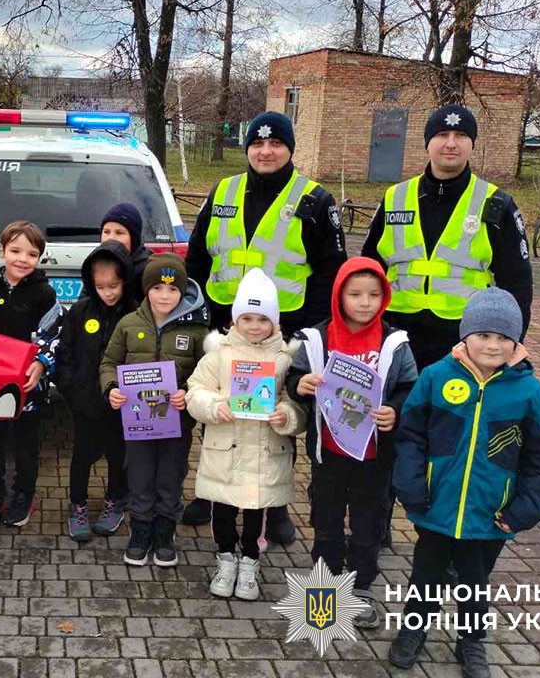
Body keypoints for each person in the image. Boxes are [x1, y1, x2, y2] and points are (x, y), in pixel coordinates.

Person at [184, 110, 347, 536]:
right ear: (248, 147)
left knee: (277, 417)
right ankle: (213, 492)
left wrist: (310, 333)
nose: (266, 150)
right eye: (257, 143)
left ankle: (273, 506)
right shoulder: (223, 190)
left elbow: (331, 273)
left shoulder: (315, 200)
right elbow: (198, 257)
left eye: (276, 143)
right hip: (225, 328)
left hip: (284, 335)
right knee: (219, 411)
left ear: (290, 148)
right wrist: (199, 313)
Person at [388, 289, 540, 677]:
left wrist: (525, 508)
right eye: (483, 335)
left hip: (490, 515)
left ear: (516, 341)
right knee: (426, 575)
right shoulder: (435, 377)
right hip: (436, 507)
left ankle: (472, 639)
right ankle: (414, 630)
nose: (492, 345)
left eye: (503, 338)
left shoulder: (528, 391)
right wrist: (412, 488)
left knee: (475, 582)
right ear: (465, 334)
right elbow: (411, 436)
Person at [287, 257, 419, 626]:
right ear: (339, 296)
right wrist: (300, 385)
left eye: (374, 294)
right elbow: (293, 380)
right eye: (355, 294)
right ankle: (324, 588)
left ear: (385, 297)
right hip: (329, 452)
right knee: (325, 521)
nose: (365, 302)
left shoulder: (394, 343)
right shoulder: (316, 339)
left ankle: (361, 586)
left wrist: (395, 409)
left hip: (374, 457)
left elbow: (410, 386)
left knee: (368, 523)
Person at [362, 104, 533, 371]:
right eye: (442, 135)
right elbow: (368, 268)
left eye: (461, 136)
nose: (451, 144)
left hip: (465, 339)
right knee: (395, 411)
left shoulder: (496, 203)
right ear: (427, 143)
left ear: (472, 144)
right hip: (396, 333)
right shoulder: (395, 197)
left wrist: (511, 343)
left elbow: (517, 283)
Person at [187, 269, 306, 600]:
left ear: (275, 321)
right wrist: (214, 406)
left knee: (257, 515)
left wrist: (287, 415)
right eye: (247, 318)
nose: (255, 326)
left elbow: (294, 400)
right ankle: (226, 558)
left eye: (263, 319)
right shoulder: (219, 354)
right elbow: (195, 390)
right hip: (227, 449)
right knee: (222, 512)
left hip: (265, 453)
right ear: (235, 319)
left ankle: (250, 561)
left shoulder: (284, 358)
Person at [100, 254, 210, 568]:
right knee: (139, 476)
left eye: (173, 289)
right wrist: (112, 390)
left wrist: (188, 393)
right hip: (138, 424)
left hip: (177, 423)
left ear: (183, 292)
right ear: (146, 289)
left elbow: (207, 374)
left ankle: (165, 532)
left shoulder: (197, 330)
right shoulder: (128, 324)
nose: (165, 295)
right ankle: (141, 531)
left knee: (171, 478)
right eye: (158, 288)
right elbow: (109, 363)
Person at [0, 221, 62, 528]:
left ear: (40, 258)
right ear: (3, 250)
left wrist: (41, 365)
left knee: (26, 444)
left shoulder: (45, 294)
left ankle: (23, 495)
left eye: (32, 254)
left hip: (28, 384)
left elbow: (54, 334)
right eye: (16, 251)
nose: (23, 259)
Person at [56, 240, 138, 541]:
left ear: (125, 281)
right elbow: (65, 354)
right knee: (82, 455)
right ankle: (77, 505)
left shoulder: (135, 315)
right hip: (85, 402)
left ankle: (114, 501)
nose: (109, 292)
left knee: (118, 455)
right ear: (91, 283)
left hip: (121, 405)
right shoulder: (79, 312)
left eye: (114, 285)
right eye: (101, 286)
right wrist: (71, 390)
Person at [98, 203, 153, 302]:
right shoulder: (96, 263)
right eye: (106, 232)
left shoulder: (147, 270)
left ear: (133, 239)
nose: (111, 238)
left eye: (119, 233)